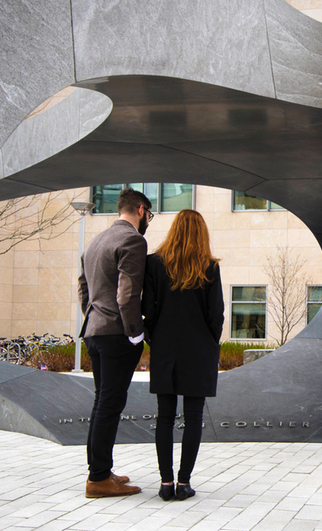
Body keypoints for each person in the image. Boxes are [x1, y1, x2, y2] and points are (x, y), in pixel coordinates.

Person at [143, 209, 224, 502]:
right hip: (199, 349)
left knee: (164, 416)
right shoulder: (210, 267)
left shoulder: (153, 264)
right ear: (202, 233)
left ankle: (165, 483)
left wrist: (155, 339)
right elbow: (216, 315)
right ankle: (183, 483)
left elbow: (148, 310)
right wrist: (210, 344)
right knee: (193, 417)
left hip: (165, 347)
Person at [77, 188, 153, 498]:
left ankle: (101, 470)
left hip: (94, 331)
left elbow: (84, 289)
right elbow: (127, 293)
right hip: (116, 334)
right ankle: (97, 479)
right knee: (110, 403)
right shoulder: (133, 240)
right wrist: (136, 333)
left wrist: (95, 317)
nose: (149, 220)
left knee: (102, 402)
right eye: (149, 214)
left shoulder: (95, 241)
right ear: (140, 209)